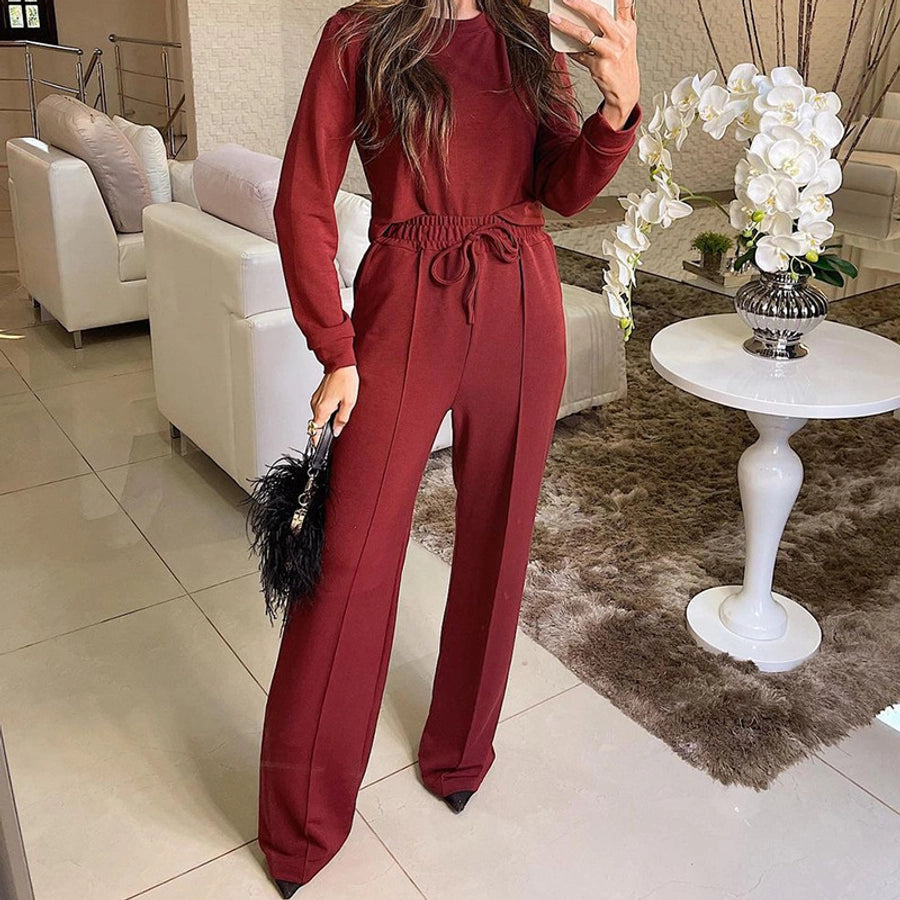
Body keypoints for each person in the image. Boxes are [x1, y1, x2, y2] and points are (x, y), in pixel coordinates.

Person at [259, 0, 641, 894]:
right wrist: (335, 347)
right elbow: (302, 197)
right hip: (404, 303)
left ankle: (461, 754)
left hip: (520, 293)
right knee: (348, 559)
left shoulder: (527, 33)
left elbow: (561, 187)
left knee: (500, 541)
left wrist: (615, 112)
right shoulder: (359, 34)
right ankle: (302, 824)